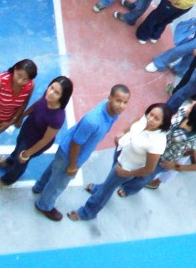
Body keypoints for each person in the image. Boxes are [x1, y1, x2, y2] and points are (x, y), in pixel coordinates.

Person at [32, 84, 130, 221]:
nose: (121, 106)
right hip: (70, 155)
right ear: (109, 98)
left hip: (67, 151)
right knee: (58, 183)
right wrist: (73, 166)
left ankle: (39, 186)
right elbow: (76, 143)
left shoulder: (112, 112)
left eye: (125, 102)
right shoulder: (93, 121)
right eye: (118, 101)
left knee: (54, 169)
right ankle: (44, 205)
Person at [67, 103, 172, 221]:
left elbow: (149, 169)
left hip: (126, 167)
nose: (150, 119)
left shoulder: (157, 142)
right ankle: (100, 188)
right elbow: (136, 122)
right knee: (109, 182)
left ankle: (87, 212)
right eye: (151, 114)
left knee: (106, 191)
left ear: (162, 123)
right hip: (121, 152)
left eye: (156, 119)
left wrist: (127, 174)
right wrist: (123, 133)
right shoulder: (145, 119)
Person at [0, 76, 73, 189]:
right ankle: (10, 162)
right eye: (51, 87)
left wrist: (27, 154)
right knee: (17, 149)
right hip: (26, 130)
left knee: (20, 163)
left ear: (62, 97)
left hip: (34, 143)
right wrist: (21, 117)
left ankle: (7, 180)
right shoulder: (47, 97)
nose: (51, 93)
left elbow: (45, 140)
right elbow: (36, 105)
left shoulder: (57, 117)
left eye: (57, 93)